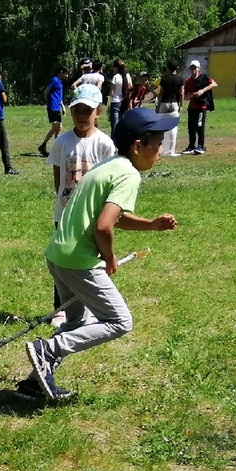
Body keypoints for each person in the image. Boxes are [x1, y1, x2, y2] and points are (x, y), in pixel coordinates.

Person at [20, 108, 179, 400]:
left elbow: (112, 217)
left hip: (58, 254)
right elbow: (104, 226)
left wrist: (151, 225)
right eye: (158, 144)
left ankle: (34, 382)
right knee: (120, 321)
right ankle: (48, 350)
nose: (161, 151)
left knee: (75, 324)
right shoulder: (128, 175)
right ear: (138, 146)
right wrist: (109, 259)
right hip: (78, 261)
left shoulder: (108, 166)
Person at [24, 84, 116, 353]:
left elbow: (108, 180)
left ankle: (91, 307)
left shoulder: (104, 143)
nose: (82, 115)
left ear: (98, 112)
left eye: (88, 110)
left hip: (91, 216)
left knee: (89, 261)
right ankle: (61, 309)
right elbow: (58, 179)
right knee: (62, 261)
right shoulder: (62, 142)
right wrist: (64, 204)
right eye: (77, 110)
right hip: (64, 214)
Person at [182, 60, 217, 155]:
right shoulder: (188, 81)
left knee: (199, 125)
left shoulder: (204, 78)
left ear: (198, 68)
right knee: (191, 127)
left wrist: (203, 90)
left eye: (195, 68)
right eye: (191, 68)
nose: (193, 70)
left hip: (201, 106)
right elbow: (185, 96)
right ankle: (191, 145)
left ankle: (201, 146)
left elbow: (214, 84)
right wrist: (191, 95)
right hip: (192, 106)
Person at [37, 65, 68, 158]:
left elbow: (59, 96)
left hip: (57, 107)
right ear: (61, 72)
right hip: (53, 107)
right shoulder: (55, 80)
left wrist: (62, 106)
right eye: (66, 74)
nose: (67, 76)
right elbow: (46, 91)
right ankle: (44, 146)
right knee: (56, 127)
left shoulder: (60, 82)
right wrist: (49, 101)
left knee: (58, 128)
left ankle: (55, 148)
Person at [155, 61, 183, 157]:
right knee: (173, 127)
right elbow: (181, 92)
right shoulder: (180, 79)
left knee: (161, 126)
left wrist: (158, 105)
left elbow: (161, 93)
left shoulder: (164, 78)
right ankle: (171, 150)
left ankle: (161, 148)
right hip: (174, 103)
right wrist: (181, 104)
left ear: (168, 68)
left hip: (164, 103)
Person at [106, 58, 132, 133]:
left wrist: (108, 101)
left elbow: (111, 92)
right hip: (124, 100)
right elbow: (130, 87)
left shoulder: (115, 77)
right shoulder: (127, 76)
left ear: (116, 68)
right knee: (122, 122)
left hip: (115, 101)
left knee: (114, 124)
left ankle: (114, 138)